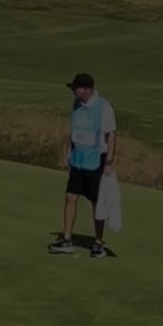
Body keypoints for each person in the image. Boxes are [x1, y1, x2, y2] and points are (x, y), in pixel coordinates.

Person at [49, 73, 116, 258]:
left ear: (87, 89)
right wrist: (69, 151)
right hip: (78, 159)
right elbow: (75, 131)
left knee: (96, 203)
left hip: (96, 161)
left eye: (76, 88)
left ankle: (98, 242)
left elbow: (111, 136)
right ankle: (67, 239)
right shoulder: (76, 105)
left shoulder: (104, 107)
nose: (73, 91)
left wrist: (109, 162)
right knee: (70, 197)